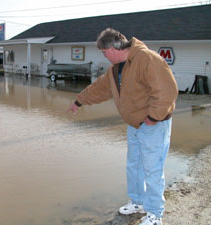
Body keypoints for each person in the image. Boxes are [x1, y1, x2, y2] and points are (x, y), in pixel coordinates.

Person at [67, 28, 178, 225]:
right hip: (134, 124)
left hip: (154, 124)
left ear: (112, 48)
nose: (104, 55)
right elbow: (99, 89)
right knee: (134, 166)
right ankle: (138, 202)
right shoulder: (116, 68)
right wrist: (79, 102)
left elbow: (166, 90)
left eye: (104, 52)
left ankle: (155, 214)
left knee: (152, 169)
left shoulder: (146, 59)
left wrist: (153, 116)